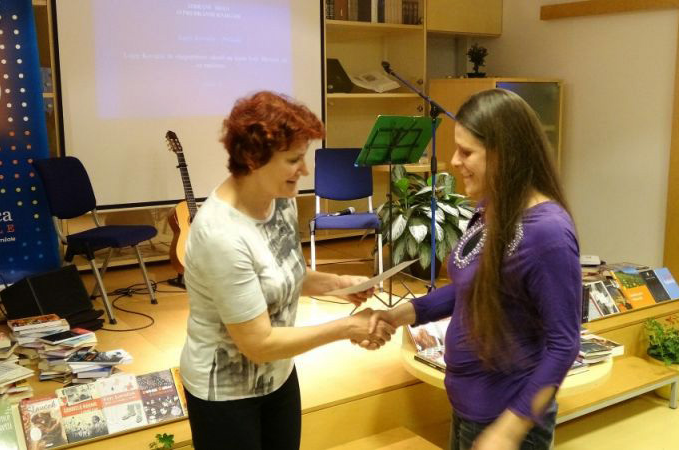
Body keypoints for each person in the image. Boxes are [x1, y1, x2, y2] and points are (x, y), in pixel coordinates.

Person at [367, 89, 581, 450]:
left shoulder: (548, 233)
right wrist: (402, 314)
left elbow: (565, 344)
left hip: (505, 419)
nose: (453, 161)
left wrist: (510, 429)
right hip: (470, 407)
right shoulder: (491, 207)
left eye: (466, 152)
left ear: (505, 153)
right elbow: (475, 286)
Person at [179, 90, 394, 450]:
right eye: (294, 159)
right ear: (253, 159)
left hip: (278, 376)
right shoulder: (221, 235)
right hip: (225, 395)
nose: (305, 170)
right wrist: (347, 327)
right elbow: (258, 344)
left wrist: (339, 283)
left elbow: (285, 273)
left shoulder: (280, 200)